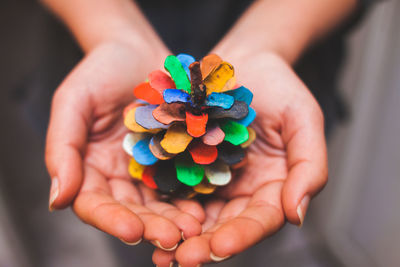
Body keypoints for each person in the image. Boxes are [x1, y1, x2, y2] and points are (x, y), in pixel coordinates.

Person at [41, 0, 372, 266]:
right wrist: (112, 31)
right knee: (134, 242)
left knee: (242, 244)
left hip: (295, 60)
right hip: (94, 47)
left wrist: (267, 42)